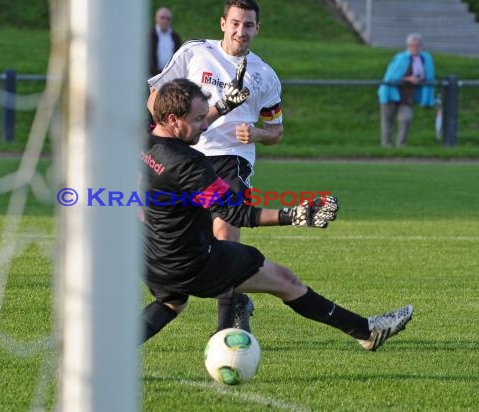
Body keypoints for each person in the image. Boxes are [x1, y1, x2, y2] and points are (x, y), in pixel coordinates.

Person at [140, 78, 414, 353]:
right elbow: (235, 212)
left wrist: (223, 106)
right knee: (285, 281)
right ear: (173, 119)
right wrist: (294, 215)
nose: (204, 124)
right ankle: (367, 331)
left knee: (171, 302)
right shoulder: (189, 164)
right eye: (199, 118)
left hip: (152, 258)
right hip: (193, 262)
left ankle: (105, 354)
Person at [147, 0, 283, 333]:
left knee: (224, 231)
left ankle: (228, 333)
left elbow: (276, 132)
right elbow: (154, 101)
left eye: (248, 25)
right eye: (235, 23)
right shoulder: (195, 53)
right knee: (184, 240)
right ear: (223, 23)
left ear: (257, 29)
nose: (241, 31)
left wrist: (257, 134)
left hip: (232, 158)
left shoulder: (264, 75)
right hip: (183, 157)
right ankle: (232, 300)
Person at [378, 33, 436, 148]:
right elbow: (392, 76)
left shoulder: (425, 59)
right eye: (412, 45)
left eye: (417, 45)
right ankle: (386, 144)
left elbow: (428, 75)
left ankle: (401, 144)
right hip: (392, 92)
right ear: (408, 46)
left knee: (406, 119)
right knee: (388, 120)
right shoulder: (401, 58)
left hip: (408, 95)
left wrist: (419, 80)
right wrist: (407, 78)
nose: (415, 48)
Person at [149, 7, 182, 77]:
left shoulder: (175, 36)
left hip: (170, 76)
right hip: (152, 77)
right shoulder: (149, 35)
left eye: (168, 18)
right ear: (156, 18)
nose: (165, 20)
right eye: (162, 18)